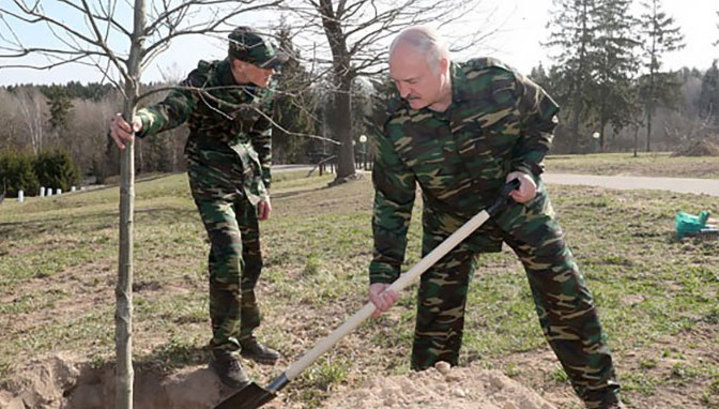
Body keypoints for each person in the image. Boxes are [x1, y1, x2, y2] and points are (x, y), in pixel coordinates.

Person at [368, 26, 623, 409]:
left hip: (516, 204)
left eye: (412, 80)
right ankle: (427, 398)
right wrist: (384, 273)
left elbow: (542, 119)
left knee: (566, 296)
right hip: (450, 219)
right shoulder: (394, 123)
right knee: (437, 319)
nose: (404, 91)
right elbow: (392, 201)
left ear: (442, 64)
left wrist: (527, 169)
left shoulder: (497, 82)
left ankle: (603, 399)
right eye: (396, 81)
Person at [109, 26, 288, 389]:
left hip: (245, 179)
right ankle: (224, 353)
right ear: (239, 63)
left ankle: (245, 334)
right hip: (210, 178)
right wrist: (140, 122)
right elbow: (170, 110)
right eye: (266, 65)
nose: (273, 71)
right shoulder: (203, 82)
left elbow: (261, 135)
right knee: (228, 253)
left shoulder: (266, 88)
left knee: (251, 259)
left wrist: (263, 188)